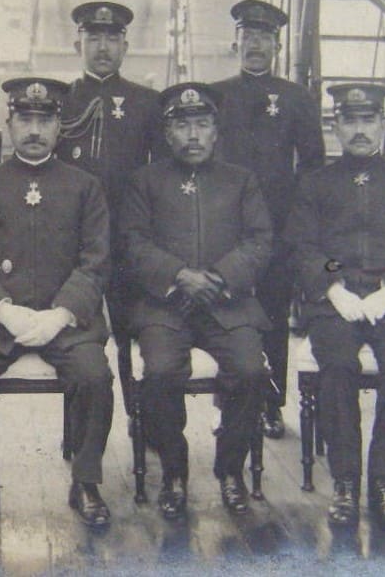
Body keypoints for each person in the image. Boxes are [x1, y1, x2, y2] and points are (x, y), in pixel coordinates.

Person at [0, 77, 114, 529]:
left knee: (94, 377)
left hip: (67, 318)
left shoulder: (85, 187)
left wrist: (61, 314)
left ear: (60, 126)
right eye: (25, 119)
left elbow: (96, 262)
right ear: (9, 123)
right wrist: (4, 310)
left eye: (45, 120)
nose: (35, 129)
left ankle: (86, 482)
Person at [284, 83, 385, 536]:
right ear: (336, 126)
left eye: (367, 120)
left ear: (383, 124)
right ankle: (347, 484)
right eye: (349, 120)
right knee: (336, 364)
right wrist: (335, 285)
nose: (358, 130)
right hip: (338, 304)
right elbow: (304, 246)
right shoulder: (315, 184)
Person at [121, 82, 272, 520]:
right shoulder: (145, 182)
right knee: (162, 371)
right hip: (165, 306)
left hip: (229, 304)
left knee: (249, 370)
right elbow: (133, 242)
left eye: (201, 124)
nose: (192, 135)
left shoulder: (241, 181)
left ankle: (230, 470)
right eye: (182, 125)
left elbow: (260, 240)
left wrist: (222, 277)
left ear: (215, 131)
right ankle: (174, 472)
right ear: (166, 134)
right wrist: (179, 276)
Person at [211, 0, 325, 439]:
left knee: (274, 313)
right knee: (226, 312)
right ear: (234, 42)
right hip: (226, 226)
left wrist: (295, 218)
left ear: (276, 46)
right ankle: (228, 404)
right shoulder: (215, 94)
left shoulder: (296, 98)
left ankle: (271, 403)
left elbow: (312, 164)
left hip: (278, 227)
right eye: (248, 36)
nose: (255, 45)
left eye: (264, 37)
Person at [58, 1, 164, 389]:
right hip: (72, 241)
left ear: (125, 47)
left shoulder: (147, 103)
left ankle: (145, 418)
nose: (103, 47)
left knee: (137, 336)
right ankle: (79, 425)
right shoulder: (60, 101)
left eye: (112, 38)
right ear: (77, 45)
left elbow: (161, 180)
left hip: (128, 239)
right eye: (93, 38)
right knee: (75, 337)